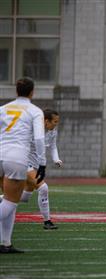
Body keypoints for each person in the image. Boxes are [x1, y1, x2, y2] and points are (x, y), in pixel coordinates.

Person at [0, 77, 46, 253]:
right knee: (11, 203)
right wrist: (42, 163)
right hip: (16, 158)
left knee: (7, 200)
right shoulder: (35, 111)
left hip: (0, 154)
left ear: (16, 91)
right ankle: (5, 243)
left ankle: (5, 243)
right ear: (32, 92)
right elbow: (39, 139)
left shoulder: (3, 109)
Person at [20, 109, 62, 230]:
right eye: (54, 121)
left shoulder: (52, 131)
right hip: (24, 163)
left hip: (35, 166)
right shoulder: (31, 129)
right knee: (43, 188)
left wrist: (56, 159)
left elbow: (53, 147)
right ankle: (47, 221)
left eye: (57, 122)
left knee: (24, 197)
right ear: (45, 121)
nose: (56, 124)